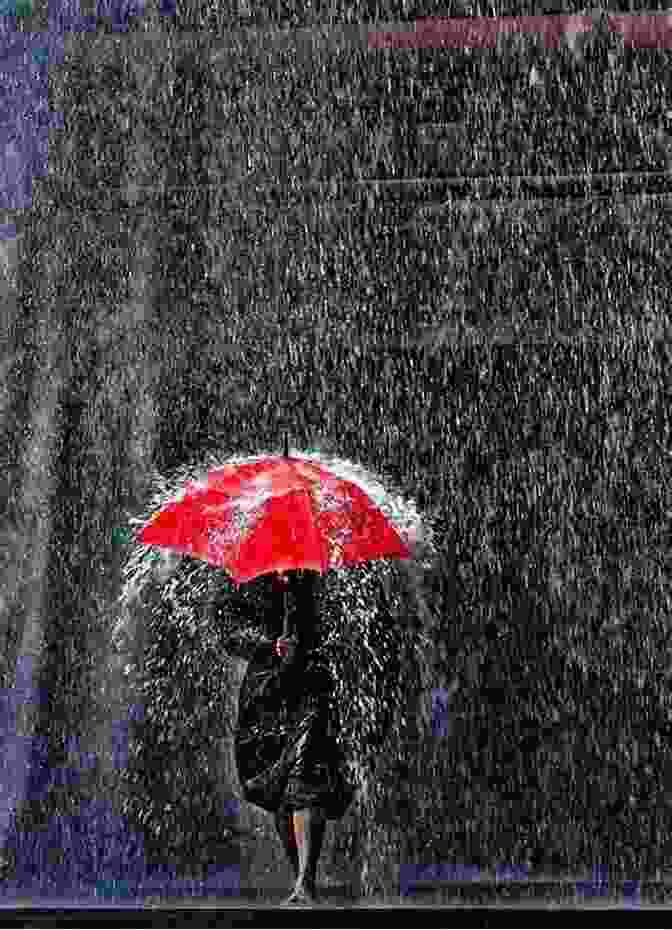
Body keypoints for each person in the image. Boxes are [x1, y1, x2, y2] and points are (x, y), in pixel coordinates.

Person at [216, 568, 356, 906]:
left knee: (306, 773)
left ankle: (306, 881)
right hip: (266, 694)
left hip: (313, 685)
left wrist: (317, 643)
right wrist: (269, 645)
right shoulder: (244, 575)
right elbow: (226, 628)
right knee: (278, 786)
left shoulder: (325, 571)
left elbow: (347, 622)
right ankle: (300, 877)